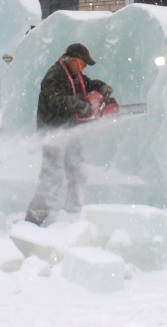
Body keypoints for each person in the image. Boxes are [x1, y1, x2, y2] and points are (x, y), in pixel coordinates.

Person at [24, 43, 113, 226]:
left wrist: (101, 86)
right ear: (72, 60)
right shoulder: (54, 76)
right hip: (53, 132)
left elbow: (88, 84)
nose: (84, 67)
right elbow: (58, 100)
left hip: (70, 131)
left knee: (77, 172)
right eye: (83, 63)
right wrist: (81, 106)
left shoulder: (75, 75)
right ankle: (33, 219)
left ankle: (73, 214)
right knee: (53, 176)